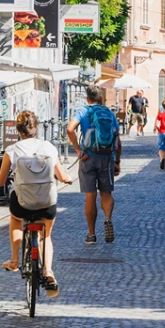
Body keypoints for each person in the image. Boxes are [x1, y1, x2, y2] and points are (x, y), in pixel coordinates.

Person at [0, 111, 71, 297]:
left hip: (23, 203)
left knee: (15, 218)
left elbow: (2, 180)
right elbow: (62, 176)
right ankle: (48, 272)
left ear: (18, 130)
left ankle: (14, 259)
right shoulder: (49, 148)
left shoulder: (12, 150)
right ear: (36, 128)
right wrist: (67, 179)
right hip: (47, 203)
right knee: (46, 236)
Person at [66, 85, 122, 245]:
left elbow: (70, 129)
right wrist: (117, 161)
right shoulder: (109, 113)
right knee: (107, 194)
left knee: (90, 196)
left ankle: (91, 234)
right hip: (107, 157)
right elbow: (118, 138)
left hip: (87, 157)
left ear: (87, 98)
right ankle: (107, 218)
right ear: (101, 98)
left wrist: (78, 149)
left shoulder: (83, 111)